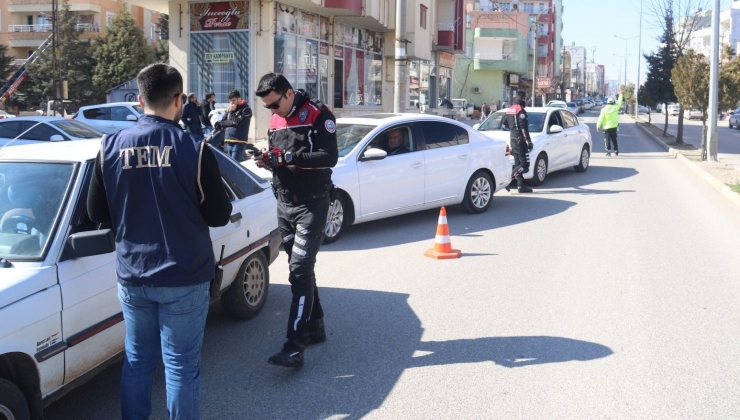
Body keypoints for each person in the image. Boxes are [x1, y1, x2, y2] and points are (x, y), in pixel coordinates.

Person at [87, 63, 232, 420]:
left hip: (134, 275)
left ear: (139, 100)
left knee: (137, 361)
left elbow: (96, 212)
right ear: (179, 99)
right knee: (181, 367)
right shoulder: (194, 148)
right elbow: (218, 215)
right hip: (184, 274)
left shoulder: (109, 147)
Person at [253, 73, 338, 368]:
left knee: (299, 271)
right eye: (267, 107)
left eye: (274, 104)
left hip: (312, 205)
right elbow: (278, 156)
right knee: (298, 268)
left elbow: (329, 157)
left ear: (289, 94)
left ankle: (294, 345)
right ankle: (315, 328)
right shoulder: (276, 119)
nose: (271, 111)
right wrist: (267, 159)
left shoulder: (317, 113)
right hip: (284, 203)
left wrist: (287, 158)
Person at [503, 99, 533, 193]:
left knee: (518, 164)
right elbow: (524, 128)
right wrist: (529, 141)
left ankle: (521, 186)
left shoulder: (510, 109)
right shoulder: (521, 110)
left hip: (513, 139)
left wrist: (513, 130)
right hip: (520, 140)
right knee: (524, 164)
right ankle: (507, 181)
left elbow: (504, 124)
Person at [216, 89, 253, 162]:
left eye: (233, 100)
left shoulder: (246, 109)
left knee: (234, 166)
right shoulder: (229, 109)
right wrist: (232, 122)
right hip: (228, 141)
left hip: (239, 142)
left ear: (239, 99)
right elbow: (222, 123)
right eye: (230, 101)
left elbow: (239, 122)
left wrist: (232, 114)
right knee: (229, 165)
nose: (231, 103)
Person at [596, 89, 624, 156]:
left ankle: (608, 152)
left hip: (606, 127)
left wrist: (598, 126)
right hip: (614, 127)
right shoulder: (615, 107)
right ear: (613, 102)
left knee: (607, 140)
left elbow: (601, 118)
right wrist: (621, 94)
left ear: (607, 102)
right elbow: (619, 102)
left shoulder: (604, 109)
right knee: (614, 139)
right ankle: (616, 151)